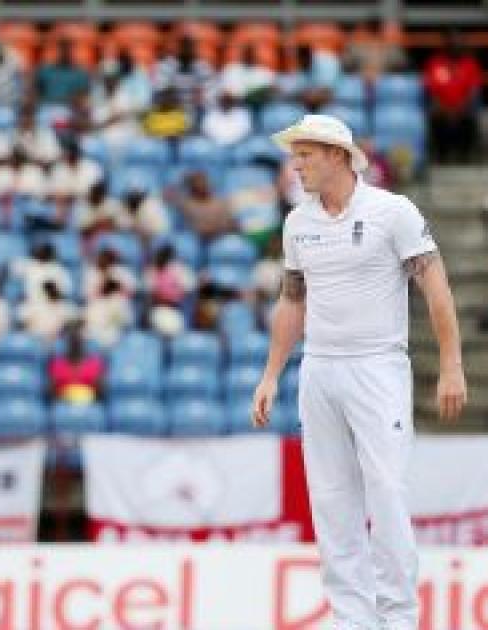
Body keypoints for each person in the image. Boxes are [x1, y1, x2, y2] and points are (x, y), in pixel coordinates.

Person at [252, 114, 466, 630]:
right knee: (331, 501)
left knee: (386, 490)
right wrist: (271, 373)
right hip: (319, 369)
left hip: (378, 367)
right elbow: (292, 300)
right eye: (295, 155)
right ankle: (352, 619)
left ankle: (399, 618)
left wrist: (452, 365)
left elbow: (436, 287)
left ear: (337, 155)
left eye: (305, 154)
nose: (296, 165)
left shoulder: (393, 212)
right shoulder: (297, 223)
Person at [423, 36, 483, 164]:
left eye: (458, 44)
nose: (455, 47)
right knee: (435, 116)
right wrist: (444, 109)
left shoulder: (470, 63)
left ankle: (464, 156)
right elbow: (431, 91)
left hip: (464, 108)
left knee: (470, 116)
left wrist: (460, 108)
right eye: (452, 44)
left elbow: (474, 90)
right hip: (441, 108)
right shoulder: (435, 63)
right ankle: (441, 156)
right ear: (446, 46)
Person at [48, 330, 104, 404]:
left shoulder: (94, 363)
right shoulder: (58, 363)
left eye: (78, 344)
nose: (76, 346)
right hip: (63, 401)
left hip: (89, 402)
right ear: (68, 346)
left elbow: (100, 388)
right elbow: (52, 389)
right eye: (73, 344)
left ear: (83, 345)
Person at [35, 39, 91, 106]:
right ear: (58, 51)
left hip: (70, 107)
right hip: (47, 105)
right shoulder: (45, 71)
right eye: (63, 49)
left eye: (68, 50)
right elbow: (36, 91)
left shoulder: (80, 73)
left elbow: (83, 95)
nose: (65, 53)